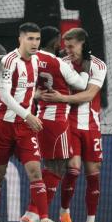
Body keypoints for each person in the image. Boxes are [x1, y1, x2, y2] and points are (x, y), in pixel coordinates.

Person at [0, 22, 59, 222]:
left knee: (35, 172)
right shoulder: (8, 62)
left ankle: (44, 220)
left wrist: (34, 100)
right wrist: (28, 114)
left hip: (25, 127)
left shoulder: (37, 61)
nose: (34, 43)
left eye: (37, 39)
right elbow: (4, 95)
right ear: (20, 39)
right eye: (30, 39)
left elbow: (26, 91)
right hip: (3, 124)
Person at [40, 28, 107, 222]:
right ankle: (64, 213)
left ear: (83, 44)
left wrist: (63, 99)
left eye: (72, 46)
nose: (68, 50)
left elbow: (89, 95)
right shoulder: (62, 63)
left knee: (93, 173)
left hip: (91, 125)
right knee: (73, 168)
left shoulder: (98, 65)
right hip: (68, 123)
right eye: (65, 46)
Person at [34, 26, 89, 210]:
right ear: (56, 41)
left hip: (39, 117)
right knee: (57, 168)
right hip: (56, 120)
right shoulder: (59, 63)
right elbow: (81, 84)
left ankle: (34, 212)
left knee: (49, 166)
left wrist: (36, 95)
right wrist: (86, 66)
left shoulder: (31, 60)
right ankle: (36, 213)